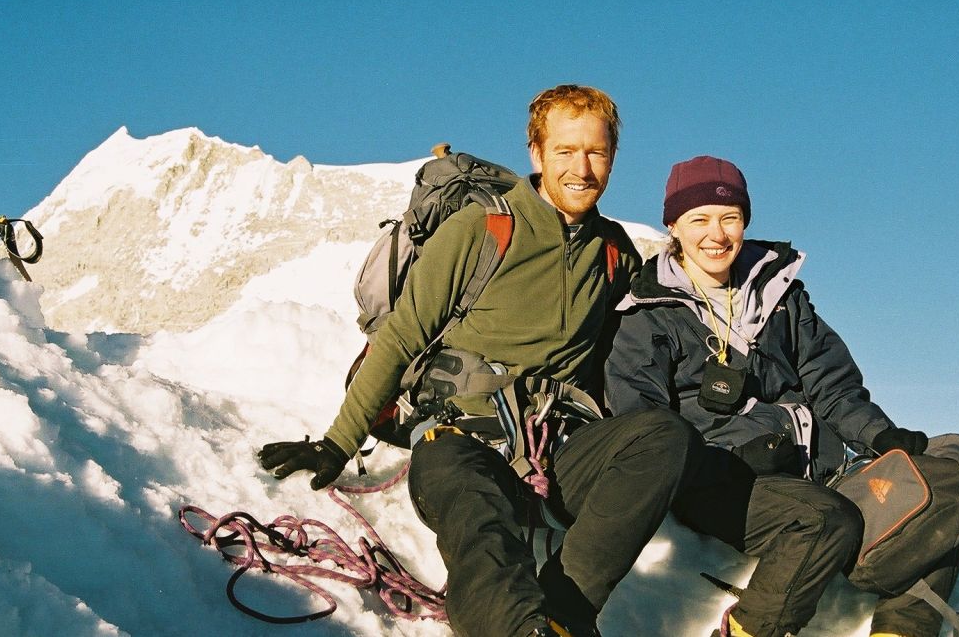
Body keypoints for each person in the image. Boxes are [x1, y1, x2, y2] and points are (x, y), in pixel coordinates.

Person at [258, 85, 700, 637]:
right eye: (565, 151)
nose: (582, 168)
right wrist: (336, 442)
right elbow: (400, 338)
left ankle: (564, 614)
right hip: (459, 441)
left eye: (597, 152)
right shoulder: (482, 228)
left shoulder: (613, 252)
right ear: (536, 154)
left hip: (555, 449)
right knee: (483, 529)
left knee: (664, 436)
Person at [605, 155, 959, 637]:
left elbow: (832, 385)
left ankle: (901, 631)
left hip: (818, 468)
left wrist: (881, 435)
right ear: (674, 224)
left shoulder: (782, 296)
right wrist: (715, 463)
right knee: (825, 521)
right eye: (699, 220)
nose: (716, 234)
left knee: (939, 497)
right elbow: (641, 420)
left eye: (729, 218)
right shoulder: (648, 312)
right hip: (723, 482)